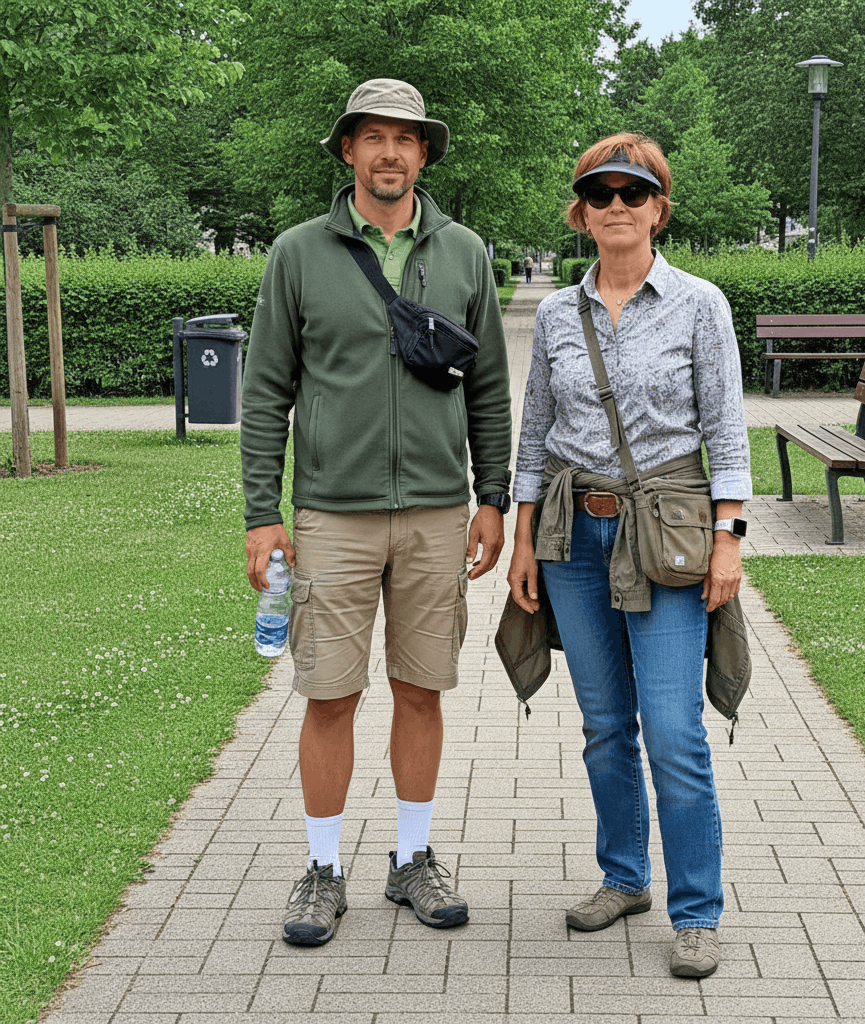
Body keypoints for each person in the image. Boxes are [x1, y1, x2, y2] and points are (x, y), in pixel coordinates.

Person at [241, 78, 513, 947]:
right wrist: (261, 513)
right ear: (349, 151)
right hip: (330, 515)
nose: (390, 152)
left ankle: (413, 857)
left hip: (437, 512)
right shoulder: (298, 253)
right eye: (373, 136)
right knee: (328, 695)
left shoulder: (466, 251)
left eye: (406, 137)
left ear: (424, 153)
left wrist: (494, 498)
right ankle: (322, 869)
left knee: (421, 690)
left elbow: (494, 391)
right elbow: (264, 393)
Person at [506, 133, 751, 978]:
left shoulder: (698, 305)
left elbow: (726, 429)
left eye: (633, 193)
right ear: (581, 212)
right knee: (607, 726)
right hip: (575, 539)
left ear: (659, 209)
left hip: (671, 541)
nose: (617, 206)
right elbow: (535, 432)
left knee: (675, 732)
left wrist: (730, 537)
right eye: (600, 194)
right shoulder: (555, 314)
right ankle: (623, 878)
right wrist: (521, 539)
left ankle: (697, 909)